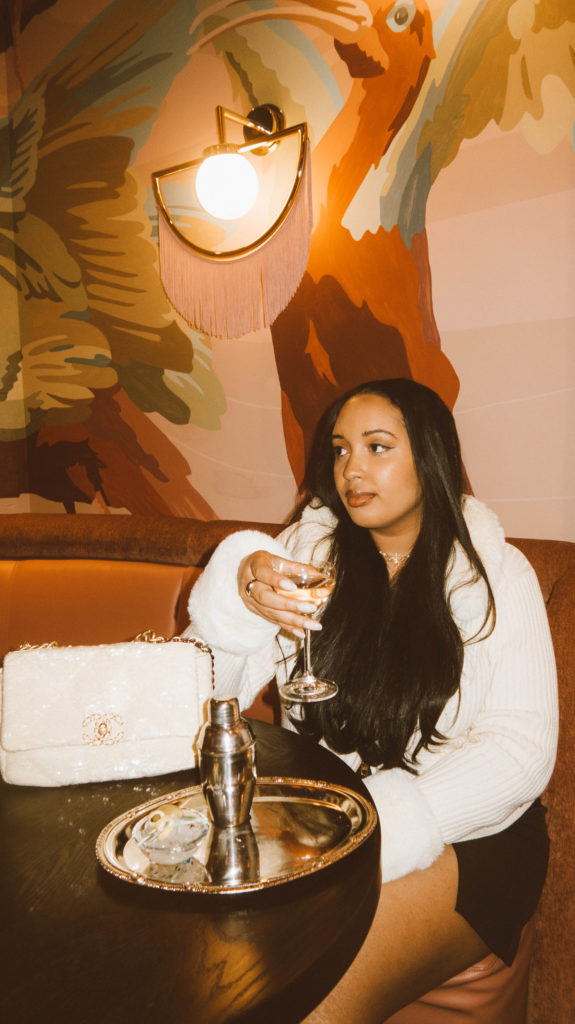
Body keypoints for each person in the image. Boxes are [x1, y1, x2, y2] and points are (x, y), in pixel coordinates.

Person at [184, 378, 558, 1022]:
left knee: (303, 1004)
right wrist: (239, 603)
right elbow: (199, 699)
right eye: (338, 450)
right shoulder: (309, 559)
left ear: (431, 456)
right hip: (328, 827)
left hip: (468, 837)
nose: (351, 469)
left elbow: (520, 753)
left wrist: (367, 827)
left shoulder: (496, 573)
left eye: (377, 447)